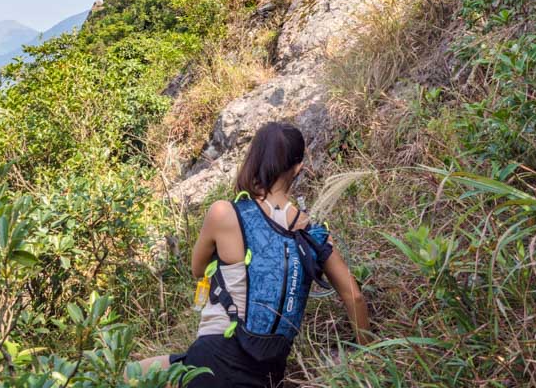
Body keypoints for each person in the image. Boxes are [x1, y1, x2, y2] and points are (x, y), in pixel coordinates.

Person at [133, 121, 369, 387]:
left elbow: (197, 269)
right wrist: (366, 359)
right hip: (268, 373)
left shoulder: (225, 213)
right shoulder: (313, 235)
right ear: (298, 168)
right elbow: (354, 297)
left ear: (254, 159)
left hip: (213, 359)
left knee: (127, 374)